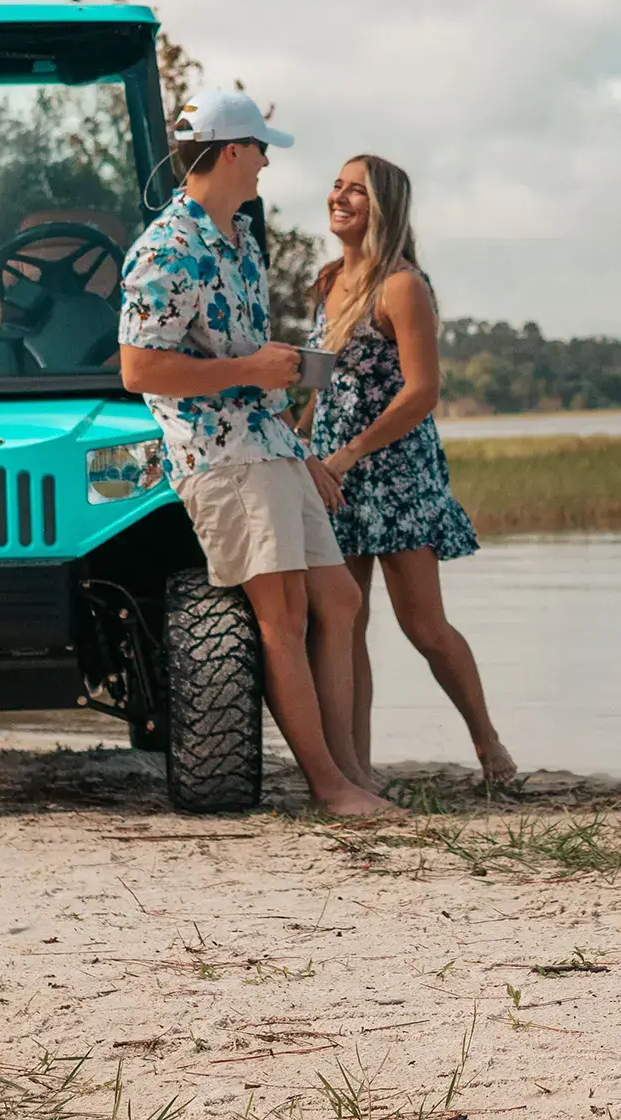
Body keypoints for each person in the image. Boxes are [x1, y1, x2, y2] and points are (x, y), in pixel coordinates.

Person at [119, 90, 395, 817]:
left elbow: (250, 361)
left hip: (269, 446)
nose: (270, 161)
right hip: (223, 459)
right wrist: (249, 373)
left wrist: (298, 447)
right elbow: (140, 371)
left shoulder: (239, 240)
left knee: (338, 600)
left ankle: (351, 772)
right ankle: (329, 788)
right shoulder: (165, 250)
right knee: (284, 616)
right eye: (263, 147)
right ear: (235, 150)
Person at [300, 154, 516, 785]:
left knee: (423, 625)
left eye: (355, 191)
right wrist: (300, 432)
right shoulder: (328, 280)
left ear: (382, 208)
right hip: (333, 471)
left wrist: (350, 451)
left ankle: (488, 744)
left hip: (394, 472)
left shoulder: (402, 286)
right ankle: (358, 769)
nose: (338, 196)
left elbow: (421, 392)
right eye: (336, 185)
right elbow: (322, 378)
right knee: (345, 622)